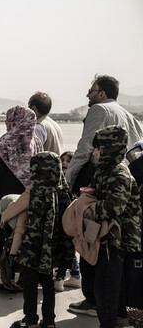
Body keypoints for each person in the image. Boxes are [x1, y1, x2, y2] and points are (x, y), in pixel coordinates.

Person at [67, 75, 143, 317]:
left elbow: (85, 146)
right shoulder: (127, 114)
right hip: (125, 181)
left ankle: (94, 300)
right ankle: (114, 304)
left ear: (101, 93)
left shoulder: (99, 109)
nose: (87, 94)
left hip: (97, 176)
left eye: (91, 90)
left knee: (91, 237)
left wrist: (69, 179)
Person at [10, 152, 75, 328]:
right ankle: (49, 321)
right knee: (47, 284)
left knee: (30, 285)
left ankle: (30, 320)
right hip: (52, 249)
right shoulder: (63, 192)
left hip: (32, 248)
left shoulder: (35, 192)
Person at [89, 126, 142, 328]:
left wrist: (88, 208)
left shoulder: (119, 173)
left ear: (110, 148)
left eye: (99, 148)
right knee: (109, 286)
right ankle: (118, 320)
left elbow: (113, 207)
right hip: (105, 236)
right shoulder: (104, 170)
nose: (95, 152)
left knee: (107, 289)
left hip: (115, 240)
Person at [0, 106, 43, 291]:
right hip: (28, 199)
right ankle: (23, 279)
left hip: (6, 201)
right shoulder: (36, 141)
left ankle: (8, 279)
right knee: (25, 238)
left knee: (8, 240)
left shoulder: (6, 142)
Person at [54, 150, 81, 292]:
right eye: (62, 160)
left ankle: (60, 278)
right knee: (68, 247)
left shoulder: (72, 182)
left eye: (68, 161)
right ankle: (76, 275)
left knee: (66, 247)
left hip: (69, 222)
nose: (64, 163)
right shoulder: (57, 179)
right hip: (62, 221)